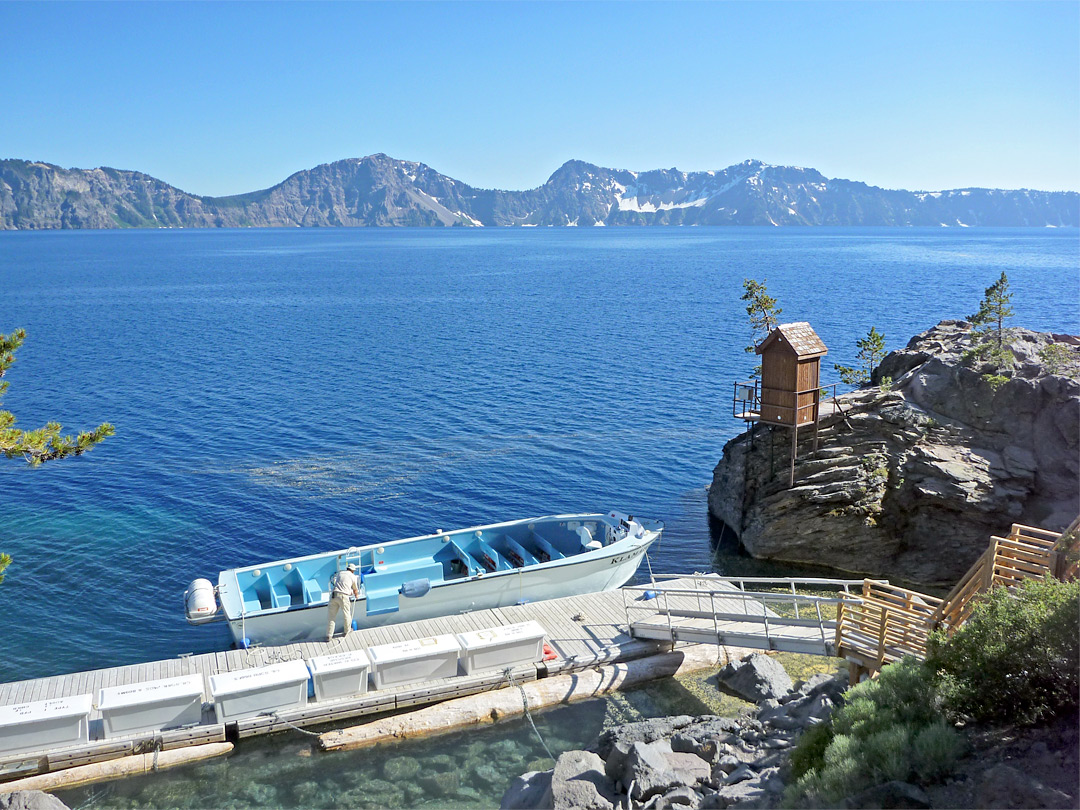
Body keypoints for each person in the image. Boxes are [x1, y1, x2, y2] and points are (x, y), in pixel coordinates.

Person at [326, 563, 360, 641]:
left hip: (334, 595)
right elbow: (355, 589)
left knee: (331, 617)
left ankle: (329, 635)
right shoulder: (353, 576)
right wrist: (356, 595)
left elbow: (340, 583)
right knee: (346, 615)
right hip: (343, 597)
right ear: (353, 570)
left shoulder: (340, 573)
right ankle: (347, 631)